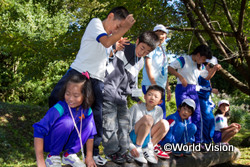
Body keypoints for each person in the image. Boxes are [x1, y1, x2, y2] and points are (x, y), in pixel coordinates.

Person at [48, 6, 135, 165]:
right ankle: (54, 152)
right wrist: (124, 29)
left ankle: (87, 153)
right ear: (110, 17)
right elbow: (106, 41)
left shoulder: (109, 38)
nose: (116, 31)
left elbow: (105, 52)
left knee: (94, 118)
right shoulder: (96, 24)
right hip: (79, 73)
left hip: (96, 80)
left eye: (119, 29)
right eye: (117, 27)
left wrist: (115, 47)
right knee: (57, 103)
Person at [102, 31, 160, 164]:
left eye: (147, 52)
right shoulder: (125, 47)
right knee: (110, 124)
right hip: (108, 91)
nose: (142, 52)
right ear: (138, 42)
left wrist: (138, 97)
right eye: (142, 48)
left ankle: (123, 152)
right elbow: (106, 54)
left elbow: (133, 83)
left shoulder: (140, 62)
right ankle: (112, 152)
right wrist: (114, 45)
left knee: (124, 125)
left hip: (122, 97)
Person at [33, 73, 96, 167]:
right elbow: (38, 130)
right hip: (50, 141)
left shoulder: (87, 111)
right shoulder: (59, 108)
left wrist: (89, 156)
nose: (70, 99)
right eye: (67, 94)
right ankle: (52, 156)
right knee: (68, 122)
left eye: (76, 96)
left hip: (67, 142)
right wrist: (40, 162)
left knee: (89, 125)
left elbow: (90, 134)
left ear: (85, 95)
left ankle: (69, 155)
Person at [168, 44, 213, 143]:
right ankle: (180, 141)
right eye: (203, 59)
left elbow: (206, 77)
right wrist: (180, 76)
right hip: (182, 89)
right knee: (184, 114)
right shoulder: (183, 59)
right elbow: (170, 68)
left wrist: (214, 70)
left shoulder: (199, 65)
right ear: (198, 55)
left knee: (197, 115)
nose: (203, 61)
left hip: (194, 91)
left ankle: (196, 142)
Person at [128, 85, 169, 164]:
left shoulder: (159, 110)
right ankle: (138, 148)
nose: (152, 98)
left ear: (160, 101)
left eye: (156, 96)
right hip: (134, 137)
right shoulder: (136, 108)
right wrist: (131, 147)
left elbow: (154, 131)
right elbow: (125, 129)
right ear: (145, 96)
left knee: (165, 124)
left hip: (147, 139)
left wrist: (151, 147)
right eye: (149, 94)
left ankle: (148, 149)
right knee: (148, 119)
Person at [141, 24, 171, 119]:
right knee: (151, 114)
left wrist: (168, 88)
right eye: (158, 32)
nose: (161, 36)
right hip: (151, 85)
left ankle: (157, 134)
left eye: (163, 33)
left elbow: (165, 70)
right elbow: (147, 64)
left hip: (161, 87)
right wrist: (154, 85)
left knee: (160, 115)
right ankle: (146, 133)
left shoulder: (163, 50)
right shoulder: (151, 48)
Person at [198, 56, 221, 144]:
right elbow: (206, 78)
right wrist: (214, 69)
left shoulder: (207, 73)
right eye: (211, 65)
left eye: (213, 66)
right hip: (201, 99)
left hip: (207, 100)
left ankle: (208, 140)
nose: (211, 68)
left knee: (211, 120)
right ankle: (203, 141)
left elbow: (208, 82)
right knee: (205, 120)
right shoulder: (202, 71)